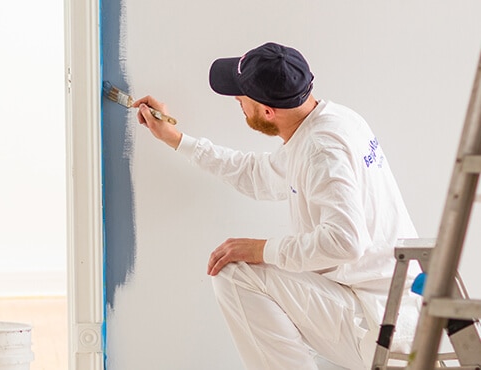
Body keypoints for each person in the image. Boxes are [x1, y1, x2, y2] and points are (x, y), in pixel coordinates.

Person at [132, 42, 421, 370]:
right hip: (385, 306)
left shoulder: (320, 149)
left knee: (235, 274)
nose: (237, 101)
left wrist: (261, 250)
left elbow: (346, 241)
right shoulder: (331, 121)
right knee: (241, 269)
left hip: (383, 325)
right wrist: (177, 139)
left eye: (242, 97)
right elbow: (258, 175)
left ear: (268, 112)